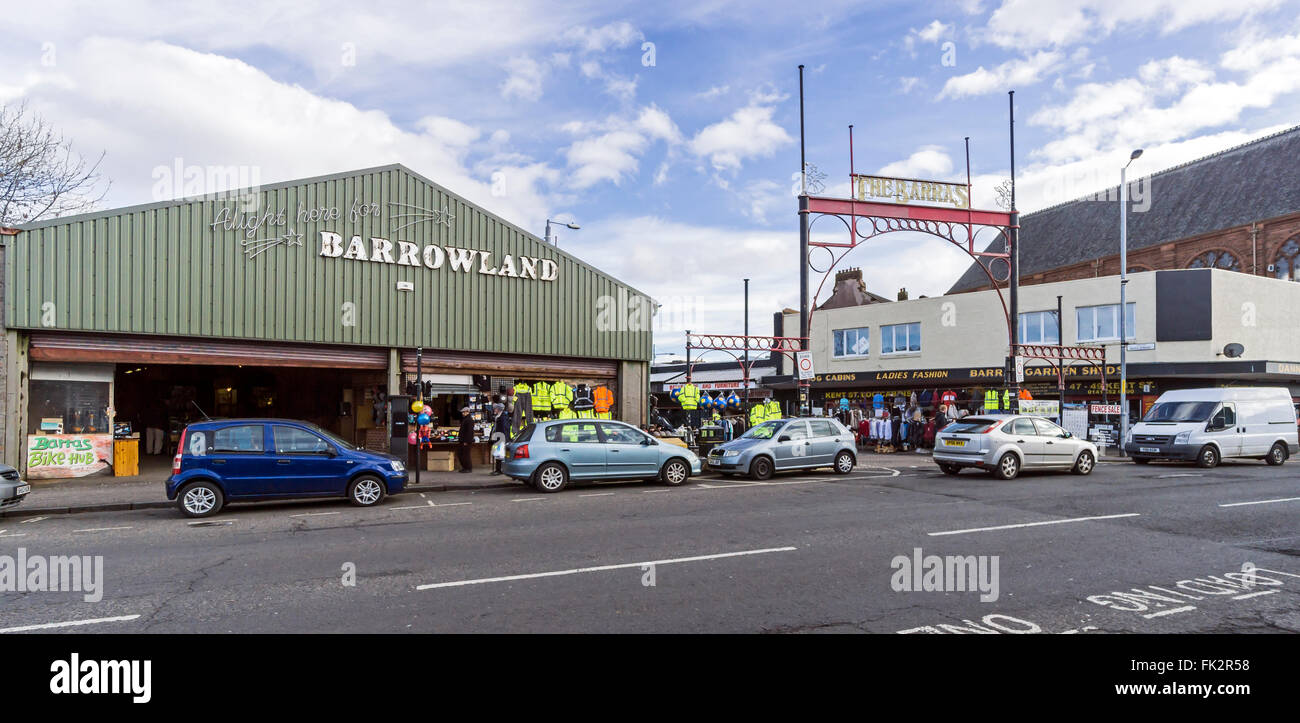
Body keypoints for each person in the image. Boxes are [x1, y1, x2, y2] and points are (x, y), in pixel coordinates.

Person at [490, 403, 510, 476]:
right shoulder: (498, 416)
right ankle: (498, 469)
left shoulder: (503, 417)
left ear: (498, 409)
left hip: (501, 438)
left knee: (499, 455)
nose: (494, 410)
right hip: (498, 437)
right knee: (497, 454)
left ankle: (499, 470)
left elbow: (504, 428)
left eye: (495, 409)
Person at [457, 406, 477, 473]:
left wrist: (466, 441)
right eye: (462, 412)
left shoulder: (469, 420)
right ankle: (465, 467)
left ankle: (468, 468)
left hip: (466, 441)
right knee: (461, 454)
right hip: (463, 440)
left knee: (465, 455)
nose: (462, 413)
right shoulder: (465, 419)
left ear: (467, 412)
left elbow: (469, 432)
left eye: (464, 412)